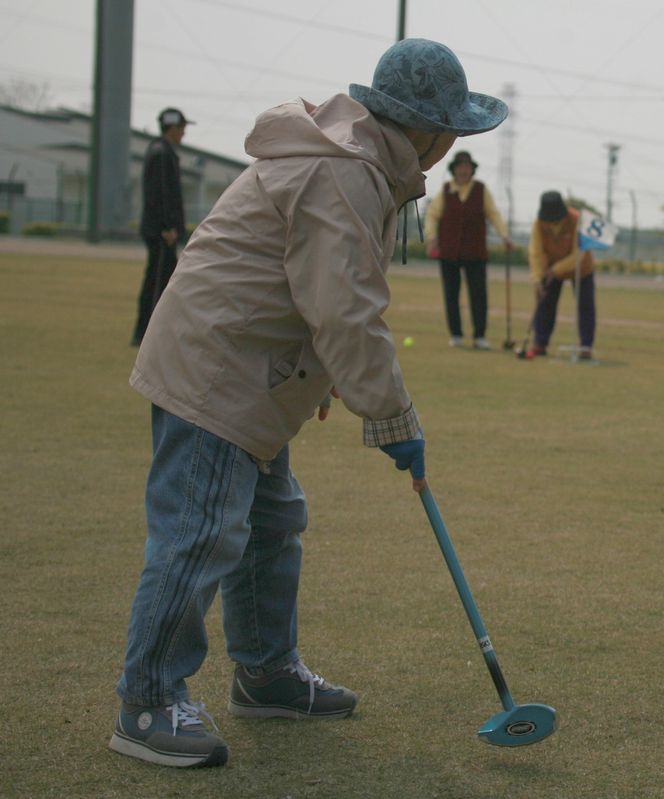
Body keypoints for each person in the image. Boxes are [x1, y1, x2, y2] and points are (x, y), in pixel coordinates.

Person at [108, 38, 507, 769]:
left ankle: (265, 674)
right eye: (451, 128)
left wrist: (319, 377)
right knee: (200, 530)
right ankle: (146, 699)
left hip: (255, 364)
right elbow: (346, 309)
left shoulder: (366, 164)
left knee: (269, 520)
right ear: (425, 128)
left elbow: (315, 289)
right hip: (215, 367)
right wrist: (394, 420)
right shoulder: (346, 171)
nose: (452, 143)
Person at [424, 150, 514, 349]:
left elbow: (494, 214)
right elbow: (432, 215)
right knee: (451, 294)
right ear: (454, 170)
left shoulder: (481, 190)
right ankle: (456, 334)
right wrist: (431, 238)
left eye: (466, 167)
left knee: (479, 295)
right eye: (459, 167)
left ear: (472, 170)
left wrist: (504, 235)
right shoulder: (446, 191)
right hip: (449, 252)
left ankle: (480, 336)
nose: (463, 171)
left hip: (475, 252)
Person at [132, 108, 189, 346]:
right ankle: (144, 333)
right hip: (161, 231)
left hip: (159, 229)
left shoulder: (157, 151)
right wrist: (168, 226)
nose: (184, 133)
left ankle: (156, 331)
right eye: (182, 128)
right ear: (173, 128)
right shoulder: (163, 154)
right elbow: (162, 194)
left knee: (163, 280)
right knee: (157, 281)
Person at [524, 191, 596, 360]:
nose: (553, 224)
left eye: (556, 219)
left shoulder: (577, 220)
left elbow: (578, 255)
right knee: (545, 302)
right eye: (549, 220)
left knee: (585, 305)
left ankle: (586, 346)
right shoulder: (539, 224)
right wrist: (537, 279)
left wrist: (554, 270)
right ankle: (540, 343)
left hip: (581, 268)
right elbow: (536, 252)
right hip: (550, 268)